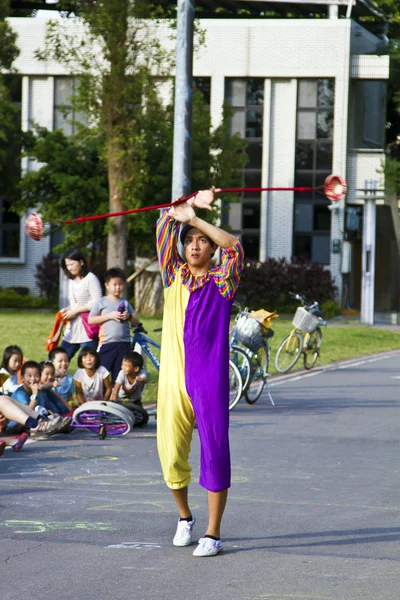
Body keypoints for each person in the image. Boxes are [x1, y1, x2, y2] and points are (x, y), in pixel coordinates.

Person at [156, 187, 244, 557]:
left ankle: (213, 533)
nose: (194, 245)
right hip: (173, 378)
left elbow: (236, 246)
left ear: (210, 248)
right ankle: (184, 518)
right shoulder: (173, 274)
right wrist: (189, 201)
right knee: (170, 453)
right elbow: (163, 221)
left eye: (201, 241)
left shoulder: (223, 282)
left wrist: (195, 218)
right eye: (188, 241)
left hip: (208, 377)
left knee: (214, 450)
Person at [88, 267, 139, 383]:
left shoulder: (125, 303)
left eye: (120, 284)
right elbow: (91, 320)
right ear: (107, 285)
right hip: (107, 343)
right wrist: (109, 316)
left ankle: (117, 397)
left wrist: (129, 317)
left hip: (124, 344)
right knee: (102, 371)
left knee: (120, 373)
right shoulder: (101, 302)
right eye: (114, 284)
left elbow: (136, 321)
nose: (118, 287)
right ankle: (101, 396)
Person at [60, 249, 102, 360]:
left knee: (89, 363)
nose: (70, 267)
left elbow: (98, 302)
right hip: (72, 329)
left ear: (81, 262)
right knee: (59, 359)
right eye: (67, 265)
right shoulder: (72, 281)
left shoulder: (90, 279)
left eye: (72, 264)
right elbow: (75, 303)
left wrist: (76, 310)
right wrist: (68, 309)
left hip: (88, 329)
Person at [110, 351, 149, 427]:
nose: (123, 368)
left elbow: (145, 379)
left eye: (126, 366)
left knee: (141, 418)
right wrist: (113, 402)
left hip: (135, 401)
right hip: (121, 400)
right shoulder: (122, 373)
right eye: (122, 365)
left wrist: (141, 379)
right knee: (117, 416)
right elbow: (116, 389)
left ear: (136, 368)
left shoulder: (141, 373)